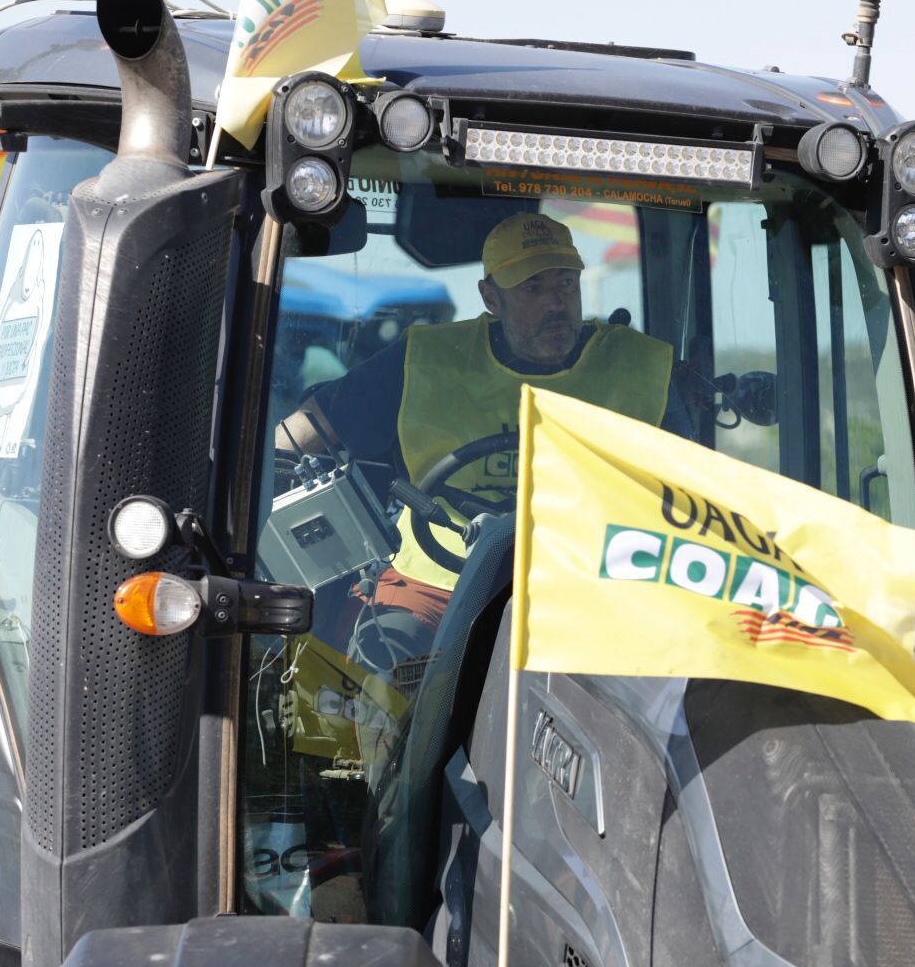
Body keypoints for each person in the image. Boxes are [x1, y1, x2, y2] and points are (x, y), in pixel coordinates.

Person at [277, 212, 694, 673]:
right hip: (439, 579)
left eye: (565, 284)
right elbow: (301, 435)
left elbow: (695, 497)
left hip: (590, 586)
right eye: (532, 288)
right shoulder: (423, 360)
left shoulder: (640, 369)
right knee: (386, 657)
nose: (556, 303)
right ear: (490, 296)